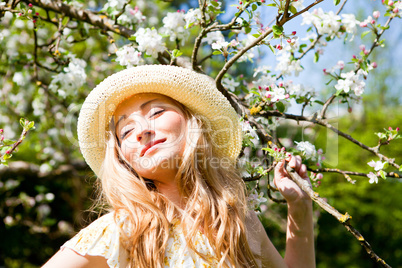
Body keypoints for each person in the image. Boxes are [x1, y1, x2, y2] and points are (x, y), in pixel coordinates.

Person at [42, 65, 315, 268]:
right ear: (124, 159)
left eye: (156, 112)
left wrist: (300, 208)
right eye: (125, 132)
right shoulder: (124, 229)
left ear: (192, 122)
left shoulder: (237, 220)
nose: (140, 131)